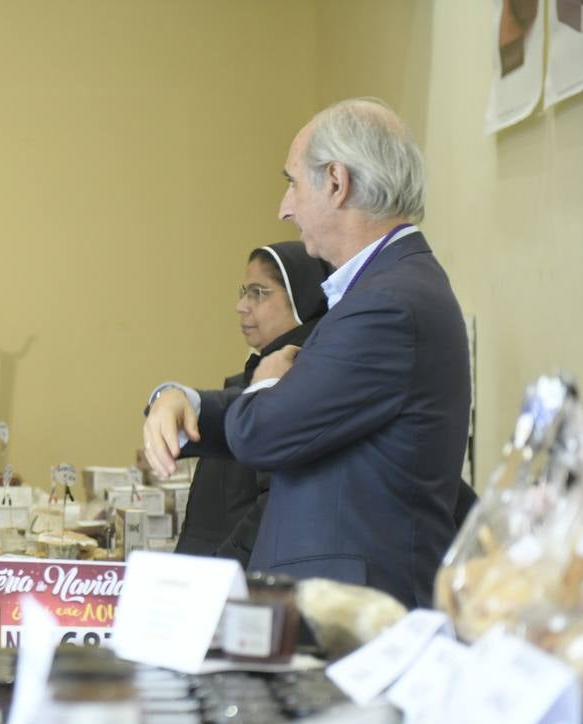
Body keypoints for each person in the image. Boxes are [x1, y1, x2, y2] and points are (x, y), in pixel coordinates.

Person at [144, 98, 471, 608]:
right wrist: (185, 401)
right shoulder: (382, 289)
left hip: (356, 613)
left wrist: (269, 382)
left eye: (293, 182)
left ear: (337, 183)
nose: (284, 206)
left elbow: (267, 430)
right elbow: (301, 406)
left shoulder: (387, 303)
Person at [175, 242, 331, 565]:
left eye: (259, 293)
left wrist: (225, 568)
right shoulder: (257, 372)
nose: (241, 306)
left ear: (302, 298)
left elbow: (276, 502)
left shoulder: (300, 382)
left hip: (238, 581)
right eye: (243, 292)